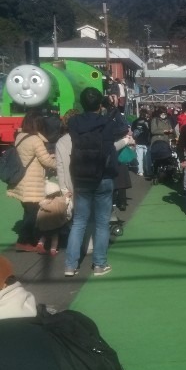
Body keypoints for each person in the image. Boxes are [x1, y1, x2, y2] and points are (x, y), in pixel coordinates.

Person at [64, 88, 128, 278]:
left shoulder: (74, 123)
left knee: (79, 221)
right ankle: (99, 264)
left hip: (81, 174)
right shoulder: (107, 123)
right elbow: (122, 129)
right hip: (104, 175)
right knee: (101, 222)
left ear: (82, 103)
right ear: (100, 104)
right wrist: (114, 108)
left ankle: (70, 265)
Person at [7, 112, 57, 252]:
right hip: (32, 182)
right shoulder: (35, 140)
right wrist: (58, 163)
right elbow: (46, 160)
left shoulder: (20, 137)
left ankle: (29, 238)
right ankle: (23, 240)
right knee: (32, 213)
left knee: (28, 210)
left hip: (22, 181)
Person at [130, 108, 151, 177]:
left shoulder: (135, 121)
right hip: (147, 141)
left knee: (139, 157)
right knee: (147, 157)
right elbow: (150, 131)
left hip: (138, 141)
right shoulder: (148, 121)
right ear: (146, 114)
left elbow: (133, 130)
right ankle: (148, 171)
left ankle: (140, 171)